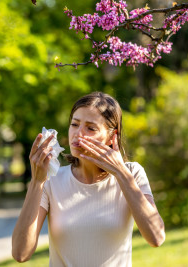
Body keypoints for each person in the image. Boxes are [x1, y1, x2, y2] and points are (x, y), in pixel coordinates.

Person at [12, 91, 165, 266]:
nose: (78, 133)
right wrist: (36, 182)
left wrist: (121, 173)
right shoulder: (52, 181)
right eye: (74, 124)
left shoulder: (132, 173)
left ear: (111, 136)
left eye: (90, 128)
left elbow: (156, 237)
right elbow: (20, 253)